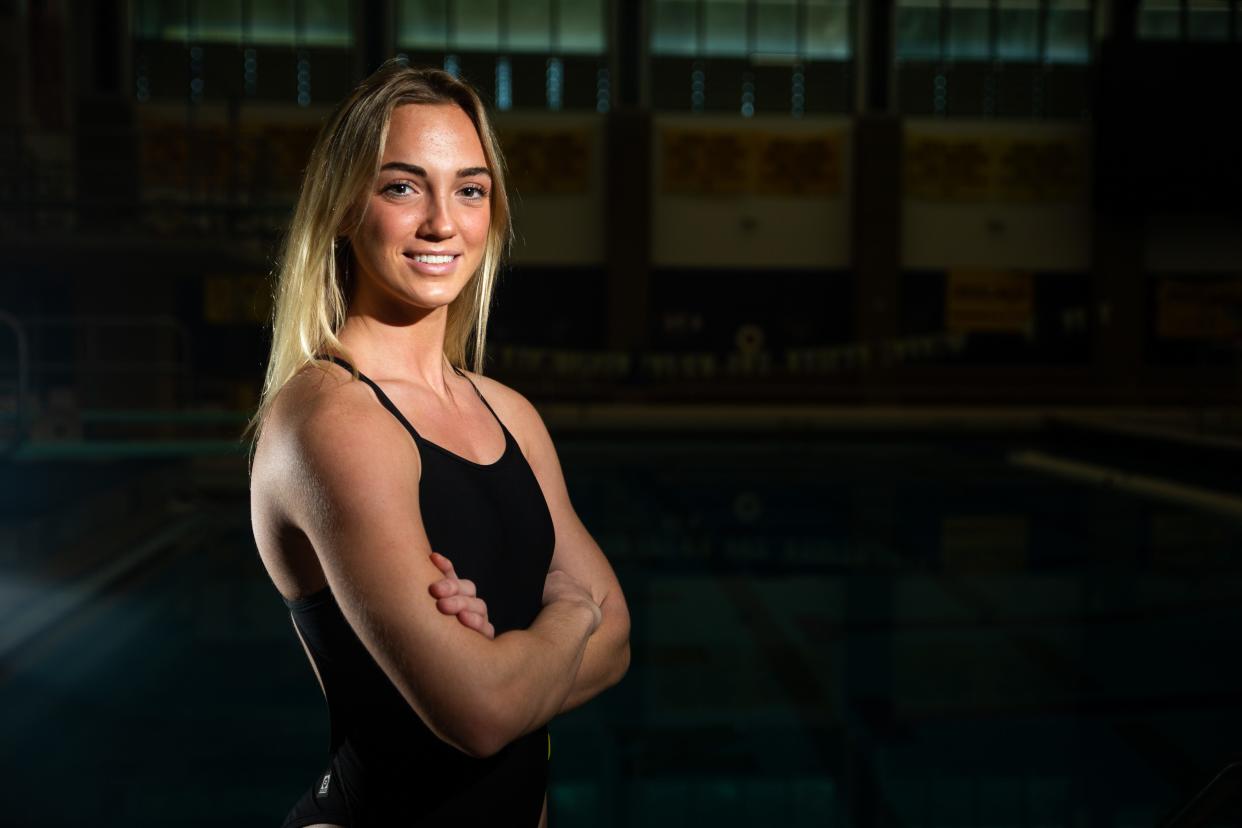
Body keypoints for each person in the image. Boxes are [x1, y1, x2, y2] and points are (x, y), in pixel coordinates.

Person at [247, 60, 631, 827]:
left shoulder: (508, 412)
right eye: (401, 186)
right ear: (345, 205)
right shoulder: (332, 420)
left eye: (469, 188)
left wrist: (513, 656)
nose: (441, 223)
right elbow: (482, 711)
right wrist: (566, 618)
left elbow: (619, 642)